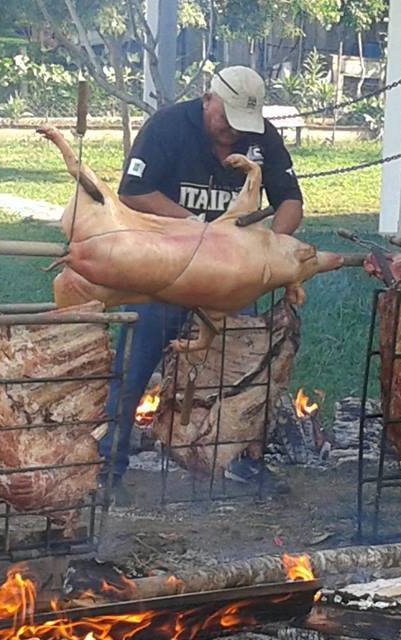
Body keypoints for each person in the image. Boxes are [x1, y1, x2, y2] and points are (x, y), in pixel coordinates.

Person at [98, 65, 304, 503]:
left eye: (240, 125)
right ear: (208, 99)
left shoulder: (263, 137)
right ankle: (105, 463)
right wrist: (196, 227)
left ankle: (242, 460)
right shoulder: (169, 126)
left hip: (229, 282)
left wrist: (272, 243)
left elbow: (289, 198)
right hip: (164, 273)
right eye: (225, 120)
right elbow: (133, 191)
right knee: (133, 368)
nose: (231, 133)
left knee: (245, 376)